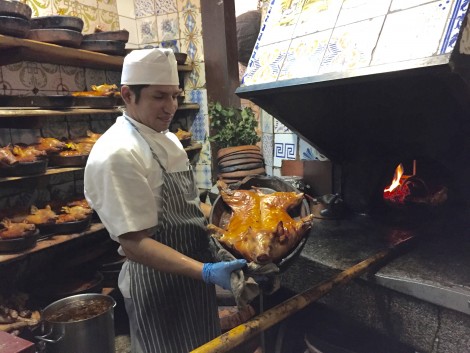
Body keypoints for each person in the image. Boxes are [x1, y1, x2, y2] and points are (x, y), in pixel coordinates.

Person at [84, 48, 246, 353]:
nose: (170, 107)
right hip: (157, 285)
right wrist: (206, 272)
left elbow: (188, 206)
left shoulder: (168, 138)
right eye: (159, 97)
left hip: (192, 276)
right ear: (128, 94)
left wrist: (232, 229)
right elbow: (134, 243)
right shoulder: (117, 153)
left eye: (175, 95)